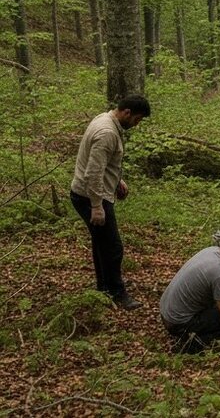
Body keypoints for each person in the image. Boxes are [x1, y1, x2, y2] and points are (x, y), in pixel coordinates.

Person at [69, 94, 151, 310]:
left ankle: (104, 288)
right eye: (137, 119)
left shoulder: (106, 120)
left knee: (102, 243)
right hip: (90, 196)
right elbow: (93, 173)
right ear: (127, 113)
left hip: (91, 192)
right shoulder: (107, 132)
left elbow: (101, 163)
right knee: (113, 246)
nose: (137, 124)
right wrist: (96, 206)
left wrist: (116, 181)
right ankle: (116, 292)